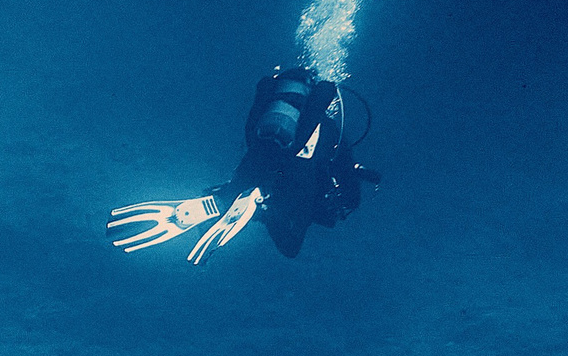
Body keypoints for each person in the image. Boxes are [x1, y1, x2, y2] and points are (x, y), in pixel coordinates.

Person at [107, 64, 380, 262]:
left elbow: (252, 123)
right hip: (295, 176)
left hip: (259, 153)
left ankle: (231, 195)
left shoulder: (276, 102)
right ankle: (258, 207)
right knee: (291, 247)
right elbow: (344, 178)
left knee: (246, 184)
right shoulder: (331, 128)